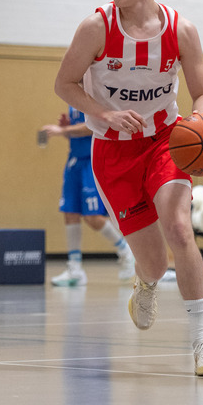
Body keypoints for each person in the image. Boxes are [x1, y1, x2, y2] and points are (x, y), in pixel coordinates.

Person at [53, 0, 203, 376]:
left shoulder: (180, 30)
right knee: (152, 260)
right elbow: (64, 84)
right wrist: (102, 113)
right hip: (113, 151)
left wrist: (201, 121)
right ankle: (146, 281)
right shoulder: (96, 27)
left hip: (165, 140)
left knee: (179, 227)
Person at [41, 108, 137, 285]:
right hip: (74, 160)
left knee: (92, 217)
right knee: (70, 211)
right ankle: (75, 269)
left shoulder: (92, 93)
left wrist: (63, 130)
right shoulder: (72, 101)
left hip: (92, 160)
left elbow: (93, 126)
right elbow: (79, 133)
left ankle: (125, 251)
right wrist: (67, 130)